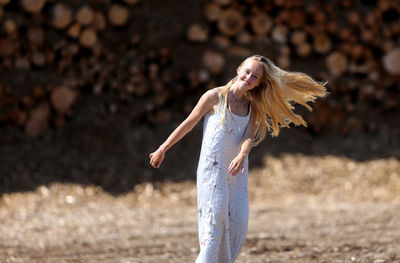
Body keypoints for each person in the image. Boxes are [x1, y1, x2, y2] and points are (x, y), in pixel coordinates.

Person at [149, 55, 327, 263]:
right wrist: (163, 148)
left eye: (255, 76)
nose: (249, 77)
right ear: (238, 69)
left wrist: (242, 155)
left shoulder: (252, 106)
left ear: (259, 82)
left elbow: (248, 136)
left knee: (239, 224)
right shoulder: (214, 97)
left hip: (236, 173)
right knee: (215, 223)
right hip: (212, 171)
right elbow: (189, 123)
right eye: (247, 72)